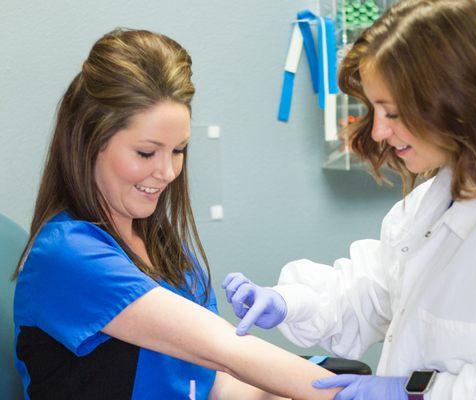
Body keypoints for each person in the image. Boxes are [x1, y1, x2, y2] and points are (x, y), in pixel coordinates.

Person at [222, 0, 476, 398]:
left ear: (457, 99)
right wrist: (290, 302)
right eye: (376, 110)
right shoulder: (433, 202)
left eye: (394, 113)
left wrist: (417, 392)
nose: (380, 132)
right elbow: (371, 293)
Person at [11, 28, 341, 400]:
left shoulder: (163, 245)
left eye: (179, 150)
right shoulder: (67, 256)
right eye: (147, 153)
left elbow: (213, 380)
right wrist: (351, 395)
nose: (167, 172)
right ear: (89, 142)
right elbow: (226, 351)